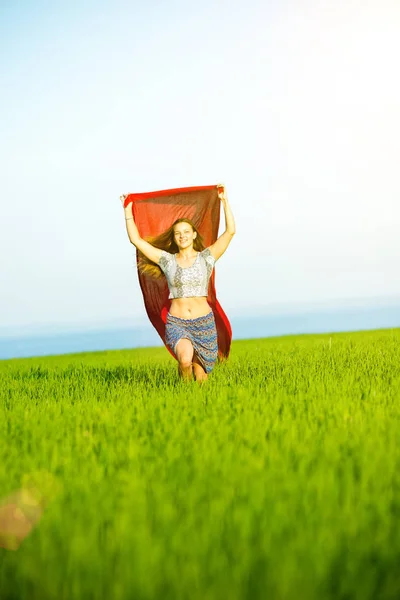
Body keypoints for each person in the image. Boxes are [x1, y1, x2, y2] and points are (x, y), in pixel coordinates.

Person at [120, 184, 235, 382]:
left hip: (204, 323)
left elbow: (230, 232)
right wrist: (128, 210)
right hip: (178, 323)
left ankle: (193, 404)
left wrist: (224, 201)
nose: (182, 236)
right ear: (174, 238)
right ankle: (183, 393)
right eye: (178, 233)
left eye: (186, 232)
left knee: (201, 377)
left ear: (194, 235)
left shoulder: (206, 258)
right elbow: (136, 241)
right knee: (184, 360)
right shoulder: (167, 260)